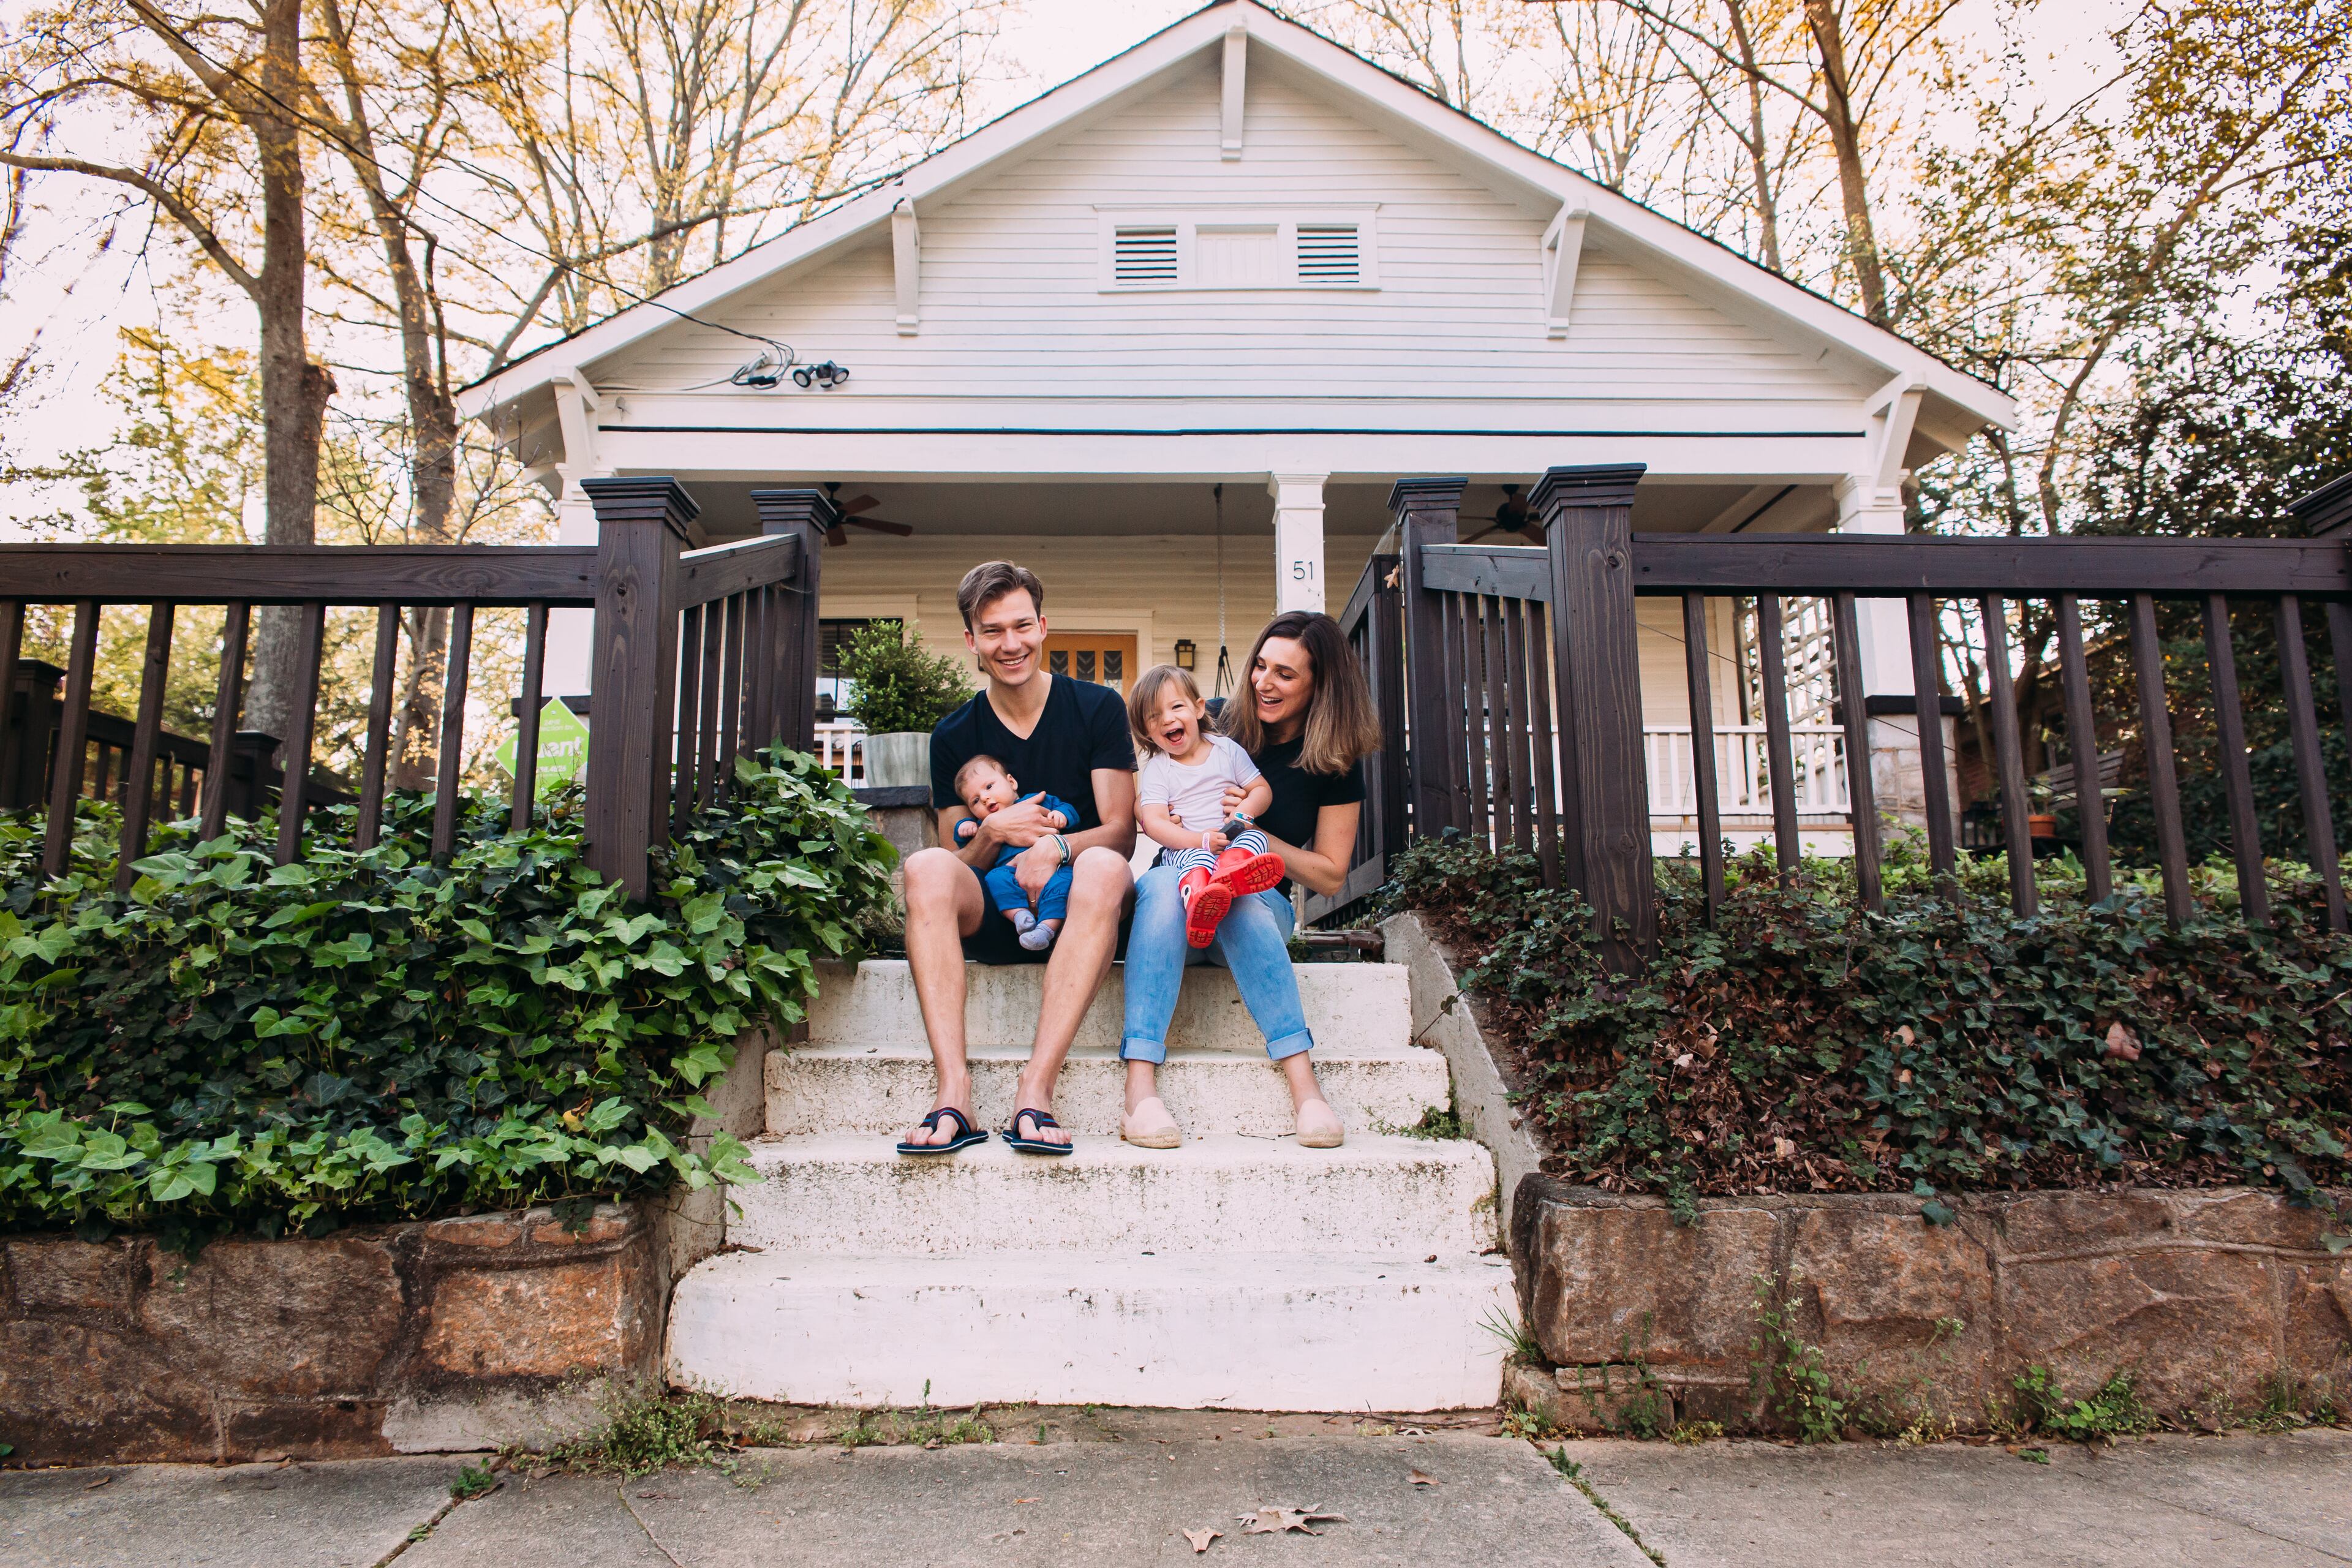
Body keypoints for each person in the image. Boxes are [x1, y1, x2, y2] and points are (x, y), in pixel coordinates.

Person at [894, 562, 1136, 1159]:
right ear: (973, 640)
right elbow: (961, 857)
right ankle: (954, 1093)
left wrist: (1056, 846)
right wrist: (995, 830)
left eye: (1022, 625)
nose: (1011, 643)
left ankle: (1036, 1089)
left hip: (1079, 913)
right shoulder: (954, 733)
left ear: (1043, 626)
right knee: (925, 867)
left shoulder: (1098, 708)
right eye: (994, 630)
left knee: (1106, 866)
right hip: (995, 911)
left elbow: (1121, 832)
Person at [1115, 611, 1381, 1152]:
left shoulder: (1333, 759)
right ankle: (1139, 1093)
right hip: (1178, 913)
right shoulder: (1209, 723)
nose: (1263, 681)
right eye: (1260, 665)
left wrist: (1254, 833)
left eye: (1285, 674)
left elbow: (1330, 875)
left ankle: (1306, 1091)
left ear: (1319, 685)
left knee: (1239, 896)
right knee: (1167, 885)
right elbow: (1153, 809)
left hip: (1256, 903)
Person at [1128, 663, 1284, 949]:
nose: (1167, 719)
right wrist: (1199, 841)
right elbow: (1155, 822)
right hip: (1186, 848)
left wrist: (1245, 811)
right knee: (1194, 863)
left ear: (1199, 708)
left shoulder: (1226, 750)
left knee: (1257, 838)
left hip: (1230, 841)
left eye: (1176, 707)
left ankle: (1232, 872)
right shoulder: (1158, 770)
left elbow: (1261, 790)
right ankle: (1200, 900)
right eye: (1154, 716)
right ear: (1146, 731)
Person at [949, 755, 1077, 952]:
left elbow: (1068, 810)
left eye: (989, 787)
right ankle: (1020, 917)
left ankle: (1046, 930)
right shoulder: (985, 824)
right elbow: (965, 843)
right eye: (975, 801)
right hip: (1011, 873)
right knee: (994, 878)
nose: (984, 798)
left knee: (1066, 879)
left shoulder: (1037, 801)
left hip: (1051, 867)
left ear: (1012, 782)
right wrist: (964, 827)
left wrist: (1061, 816)